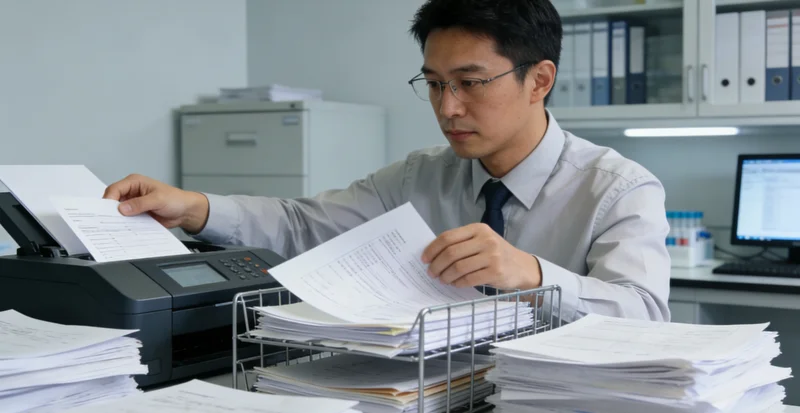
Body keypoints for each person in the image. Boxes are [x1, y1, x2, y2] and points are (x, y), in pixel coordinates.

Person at [104, 0, 671, 323]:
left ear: (539, 81)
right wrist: (195, 208)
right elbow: (304, 224)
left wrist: (533, 275)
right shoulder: (418, 175)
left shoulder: (618, 189)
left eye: (471, 83)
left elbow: (647, 316)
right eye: (433, 84)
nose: (448, 108)